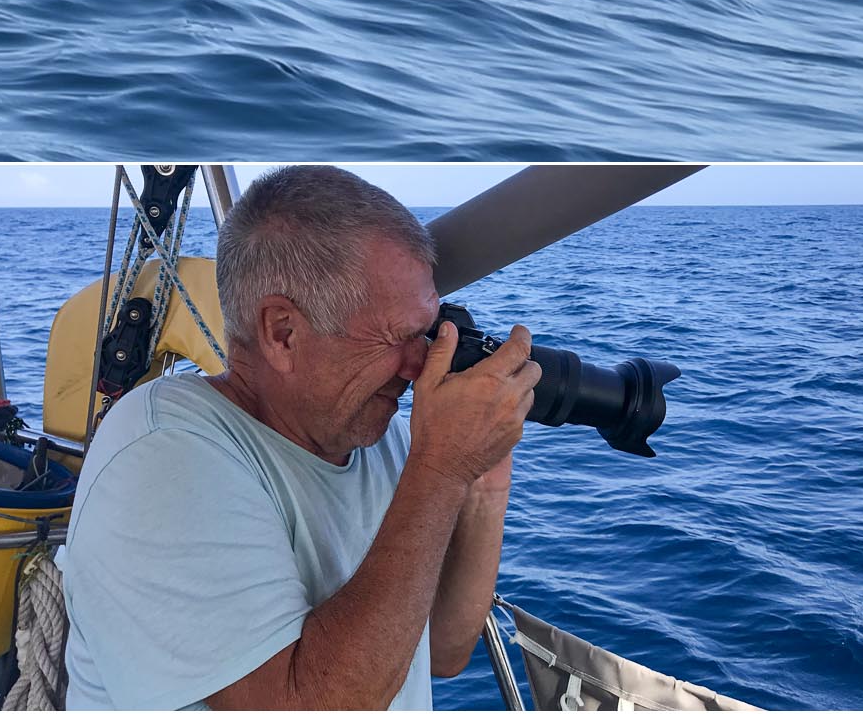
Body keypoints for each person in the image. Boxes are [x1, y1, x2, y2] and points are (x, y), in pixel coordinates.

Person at [61, 167, 541, 710]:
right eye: (400, 338)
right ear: (282, 333)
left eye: (427, 334)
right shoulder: (160, 457)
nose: (419, 366)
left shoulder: (381, 441)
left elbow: (441, 651)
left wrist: (481, 480)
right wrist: (441, 469)